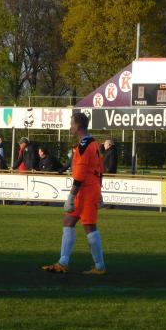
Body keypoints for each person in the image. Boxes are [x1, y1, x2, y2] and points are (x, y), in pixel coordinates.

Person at [42, 112, 106, 275]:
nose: (70, 127)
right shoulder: (93, 143)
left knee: (89, 226)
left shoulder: (85, 145)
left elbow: (81, 173)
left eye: (71, 124)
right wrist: (99, 191)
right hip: (89, 189)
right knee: (68, 221)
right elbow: (100, 169)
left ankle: (99, 266)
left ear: (77, 126)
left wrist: (71, 196)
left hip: (86, 190)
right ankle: (63, 262)